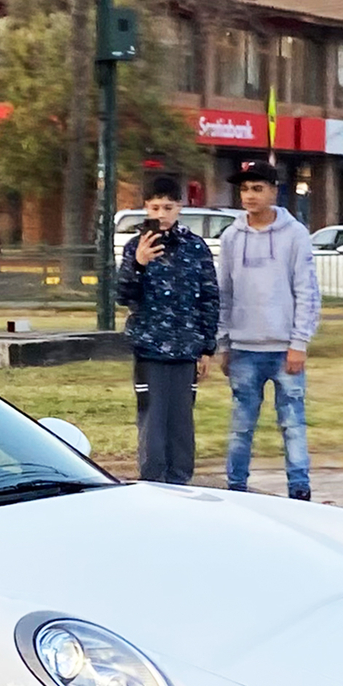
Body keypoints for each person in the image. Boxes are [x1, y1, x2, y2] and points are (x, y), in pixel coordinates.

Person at [217, 160, 320, 500]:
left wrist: (299, 342)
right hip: (244, 348)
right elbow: (224, 293)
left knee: (292, 424)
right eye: (245, 189)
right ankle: (236, 487)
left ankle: (299, 489)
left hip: (284, 348)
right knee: (241, 427)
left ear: (274, 192)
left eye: (257, 188)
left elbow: (306, 290)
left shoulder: (295, 235)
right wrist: (224, 343)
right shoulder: (232, 237)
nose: (249, 195)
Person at [114, 176, 220, 484]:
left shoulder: (195, 247)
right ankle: (153, 478)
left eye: (168, 207)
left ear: (180, 208)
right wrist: (138, 265)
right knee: (152, 419)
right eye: (155, 207)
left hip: (186, 349)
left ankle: (180, 478)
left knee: (181, 420)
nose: (162, 214)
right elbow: (124, 297)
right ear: (146, 208)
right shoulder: (136, 247)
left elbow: (210, 298)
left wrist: (206, 347)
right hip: (149, 348)